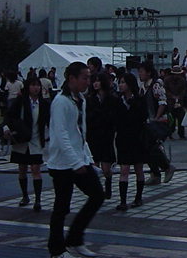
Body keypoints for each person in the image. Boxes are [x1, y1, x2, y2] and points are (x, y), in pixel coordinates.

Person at [47, 62, 105, 258]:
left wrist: (88, 158)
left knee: (97, 195)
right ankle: (56, 250)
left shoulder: (80, 99)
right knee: (61, 207)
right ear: (71, 78)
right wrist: (75, 162)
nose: (88, 82)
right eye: (84, 78)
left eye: (89, 78)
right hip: (61, 163)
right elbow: (61, 134)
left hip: (79, 159)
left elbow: (79, 133)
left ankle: (74, 239)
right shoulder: (61, 102)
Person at [4, 77, 50, 211]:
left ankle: (38, 199)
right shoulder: (21, 101)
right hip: (21, 140)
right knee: (22, 169)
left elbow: (49, 120)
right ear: (28, 87)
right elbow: (9, 115)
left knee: (36, 168)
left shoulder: (44, 103)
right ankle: (25, 195)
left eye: (38, 85)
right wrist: (6, 128)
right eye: (33, 85)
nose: (36, 88)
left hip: (36, 139)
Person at [138, 62, 176, 186]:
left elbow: (162, 102)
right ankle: (155, 174)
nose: (140, 74)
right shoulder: (143, 86)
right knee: (146, 147)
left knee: (151, 146)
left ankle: (165, 167)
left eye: (142, 71)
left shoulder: (156, 85)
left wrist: (156, 117)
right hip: (149, 122)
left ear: (149, 72)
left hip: (160, 122)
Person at [114, 73, 147, 211]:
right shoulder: (118, 100)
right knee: (124, 169)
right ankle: (123, 201)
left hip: (137, 138)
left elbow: (143, 117)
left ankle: (138, 197)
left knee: (139, 168)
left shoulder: (139, 100)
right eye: (120, 82)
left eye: (123, 82)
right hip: (123, 138)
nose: (120, 85)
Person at [86, 72, 117, 200]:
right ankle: (97, 191)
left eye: (98, 81)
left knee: (106, 168)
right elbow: (88, 117)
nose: (96, 83)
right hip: (93, 135)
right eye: (94, 81)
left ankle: (108, 187)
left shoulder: (112, 99)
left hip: (107, 135)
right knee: (94, 165)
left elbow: (113, 117)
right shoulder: (90, 99)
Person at [164, 66, 187, 140]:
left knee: (181, 118)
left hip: (180, 102)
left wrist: (179, 96)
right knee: (171, 119)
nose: (176, 76)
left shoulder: (182, 80)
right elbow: (165, 90)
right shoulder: (167, 80)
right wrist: (172, 96)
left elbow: (184, 90)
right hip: (170, 102)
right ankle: (170, 133)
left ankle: (181, 134)